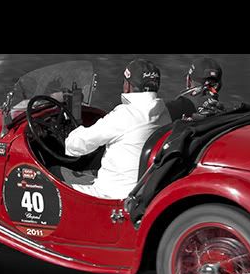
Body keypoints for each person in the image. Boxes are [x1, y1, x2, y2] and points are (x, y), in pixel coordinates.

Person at [61, 59, 171, 200]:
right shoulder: (164, 113)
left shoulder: (125, 114)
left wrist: (70, 132)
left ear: (127, 86)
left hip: (110, 194)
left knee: (55, 172)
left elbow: (78, 145)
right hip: (139, 191)